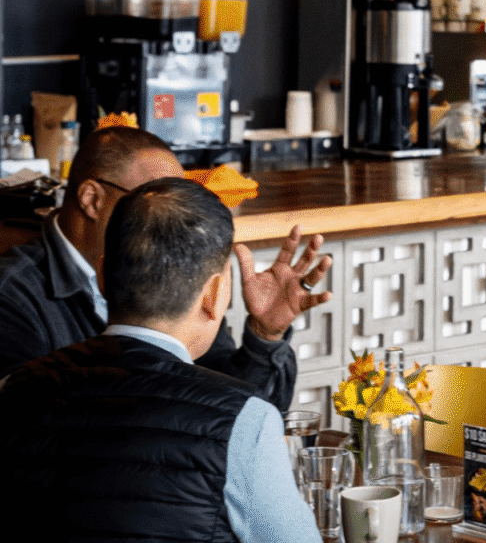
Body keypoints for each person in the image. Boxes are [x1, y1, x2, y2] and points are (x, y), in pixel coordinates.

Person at [0, 177, 321, 543]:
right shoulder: (248, 422)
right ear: (215, 294)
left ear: (102, 278)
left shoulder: (14, 389)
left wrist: (264, 337)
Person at [0, 125, 331, 411]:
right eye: (150, 198)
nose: (174, 222)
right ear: (92, 199)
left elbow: (229, 409)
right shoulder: (12, 298)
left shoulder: (175, 268)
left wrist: (264, 338)